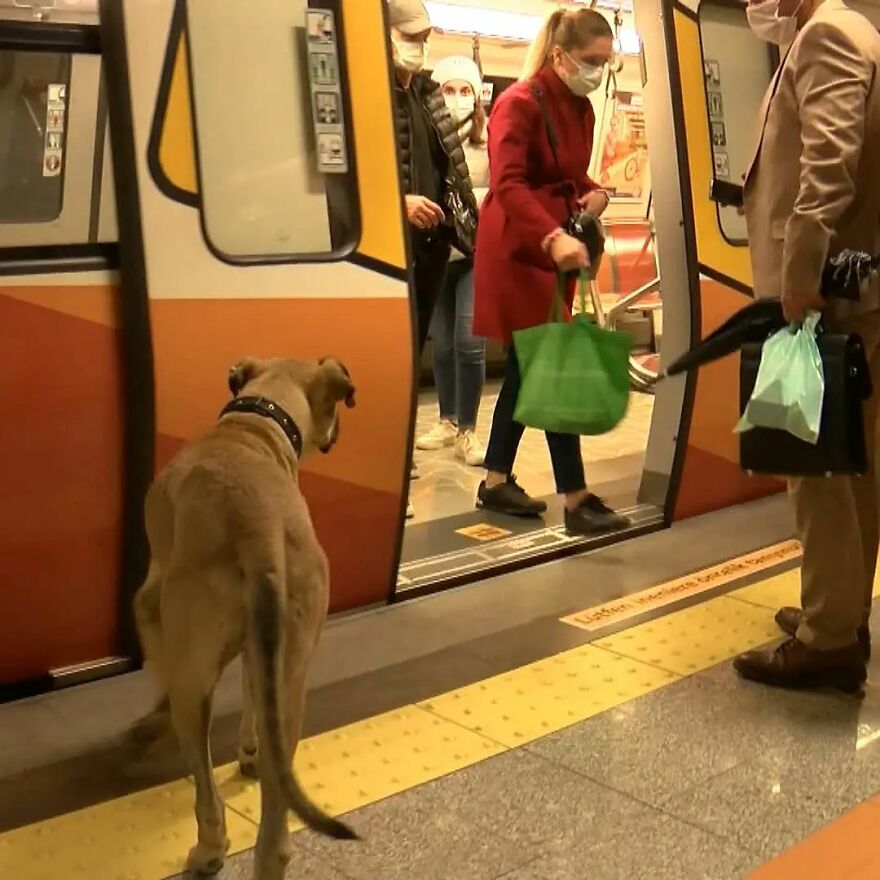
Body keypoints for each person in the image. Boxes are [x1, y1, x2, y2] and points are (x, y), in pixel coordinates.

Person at [733, 0, 880, 690]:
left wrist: (797, 274)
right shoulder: (858, 33)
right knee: (855, 467)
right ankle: (839, 613)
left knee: (811, 463)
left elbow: (829, 162)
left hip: (815, 296)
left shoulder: (827, 34)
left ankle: (828, 639)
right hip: (850, 290)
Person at [471, 8, 631, 536]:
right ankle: (576, 496)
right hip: (521, 249)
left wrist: (594, 191)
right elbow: (509, 183)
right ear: (560, 55)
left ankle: (495, 481)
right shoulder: (517, 104)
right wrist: (553, 234)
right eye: (590, 61)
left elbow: (565, 171)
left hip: (552, 248)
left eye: (606, 63)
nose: (597, 72)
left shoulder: (579, 107)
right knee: (551, 361)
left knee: (528, 365)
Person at [386, 0, 479, 519]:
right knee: (393, 357)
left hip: (432, 247)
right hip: (388, 246)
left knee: (416, 351)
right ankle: (391, 470)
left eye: (424, 37)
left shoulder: (424, 94)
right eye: (409, 35)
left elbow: (451, 166)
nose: (418, 45)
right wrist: (397, 202)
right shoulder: (369, 95)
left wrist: (464, 222)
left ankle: (400, 463)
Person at [416, 55, 489, 468]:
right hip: (440, 253)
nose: (458, 98)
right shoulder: (429, 141)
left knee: (469, 342)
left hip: (477, 254)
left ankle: (469, 429)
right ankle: (446, 420)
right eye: (448, 89)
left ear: (477, 96)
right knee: (441, 344)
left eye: (466, 90)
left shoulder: (488, 139)